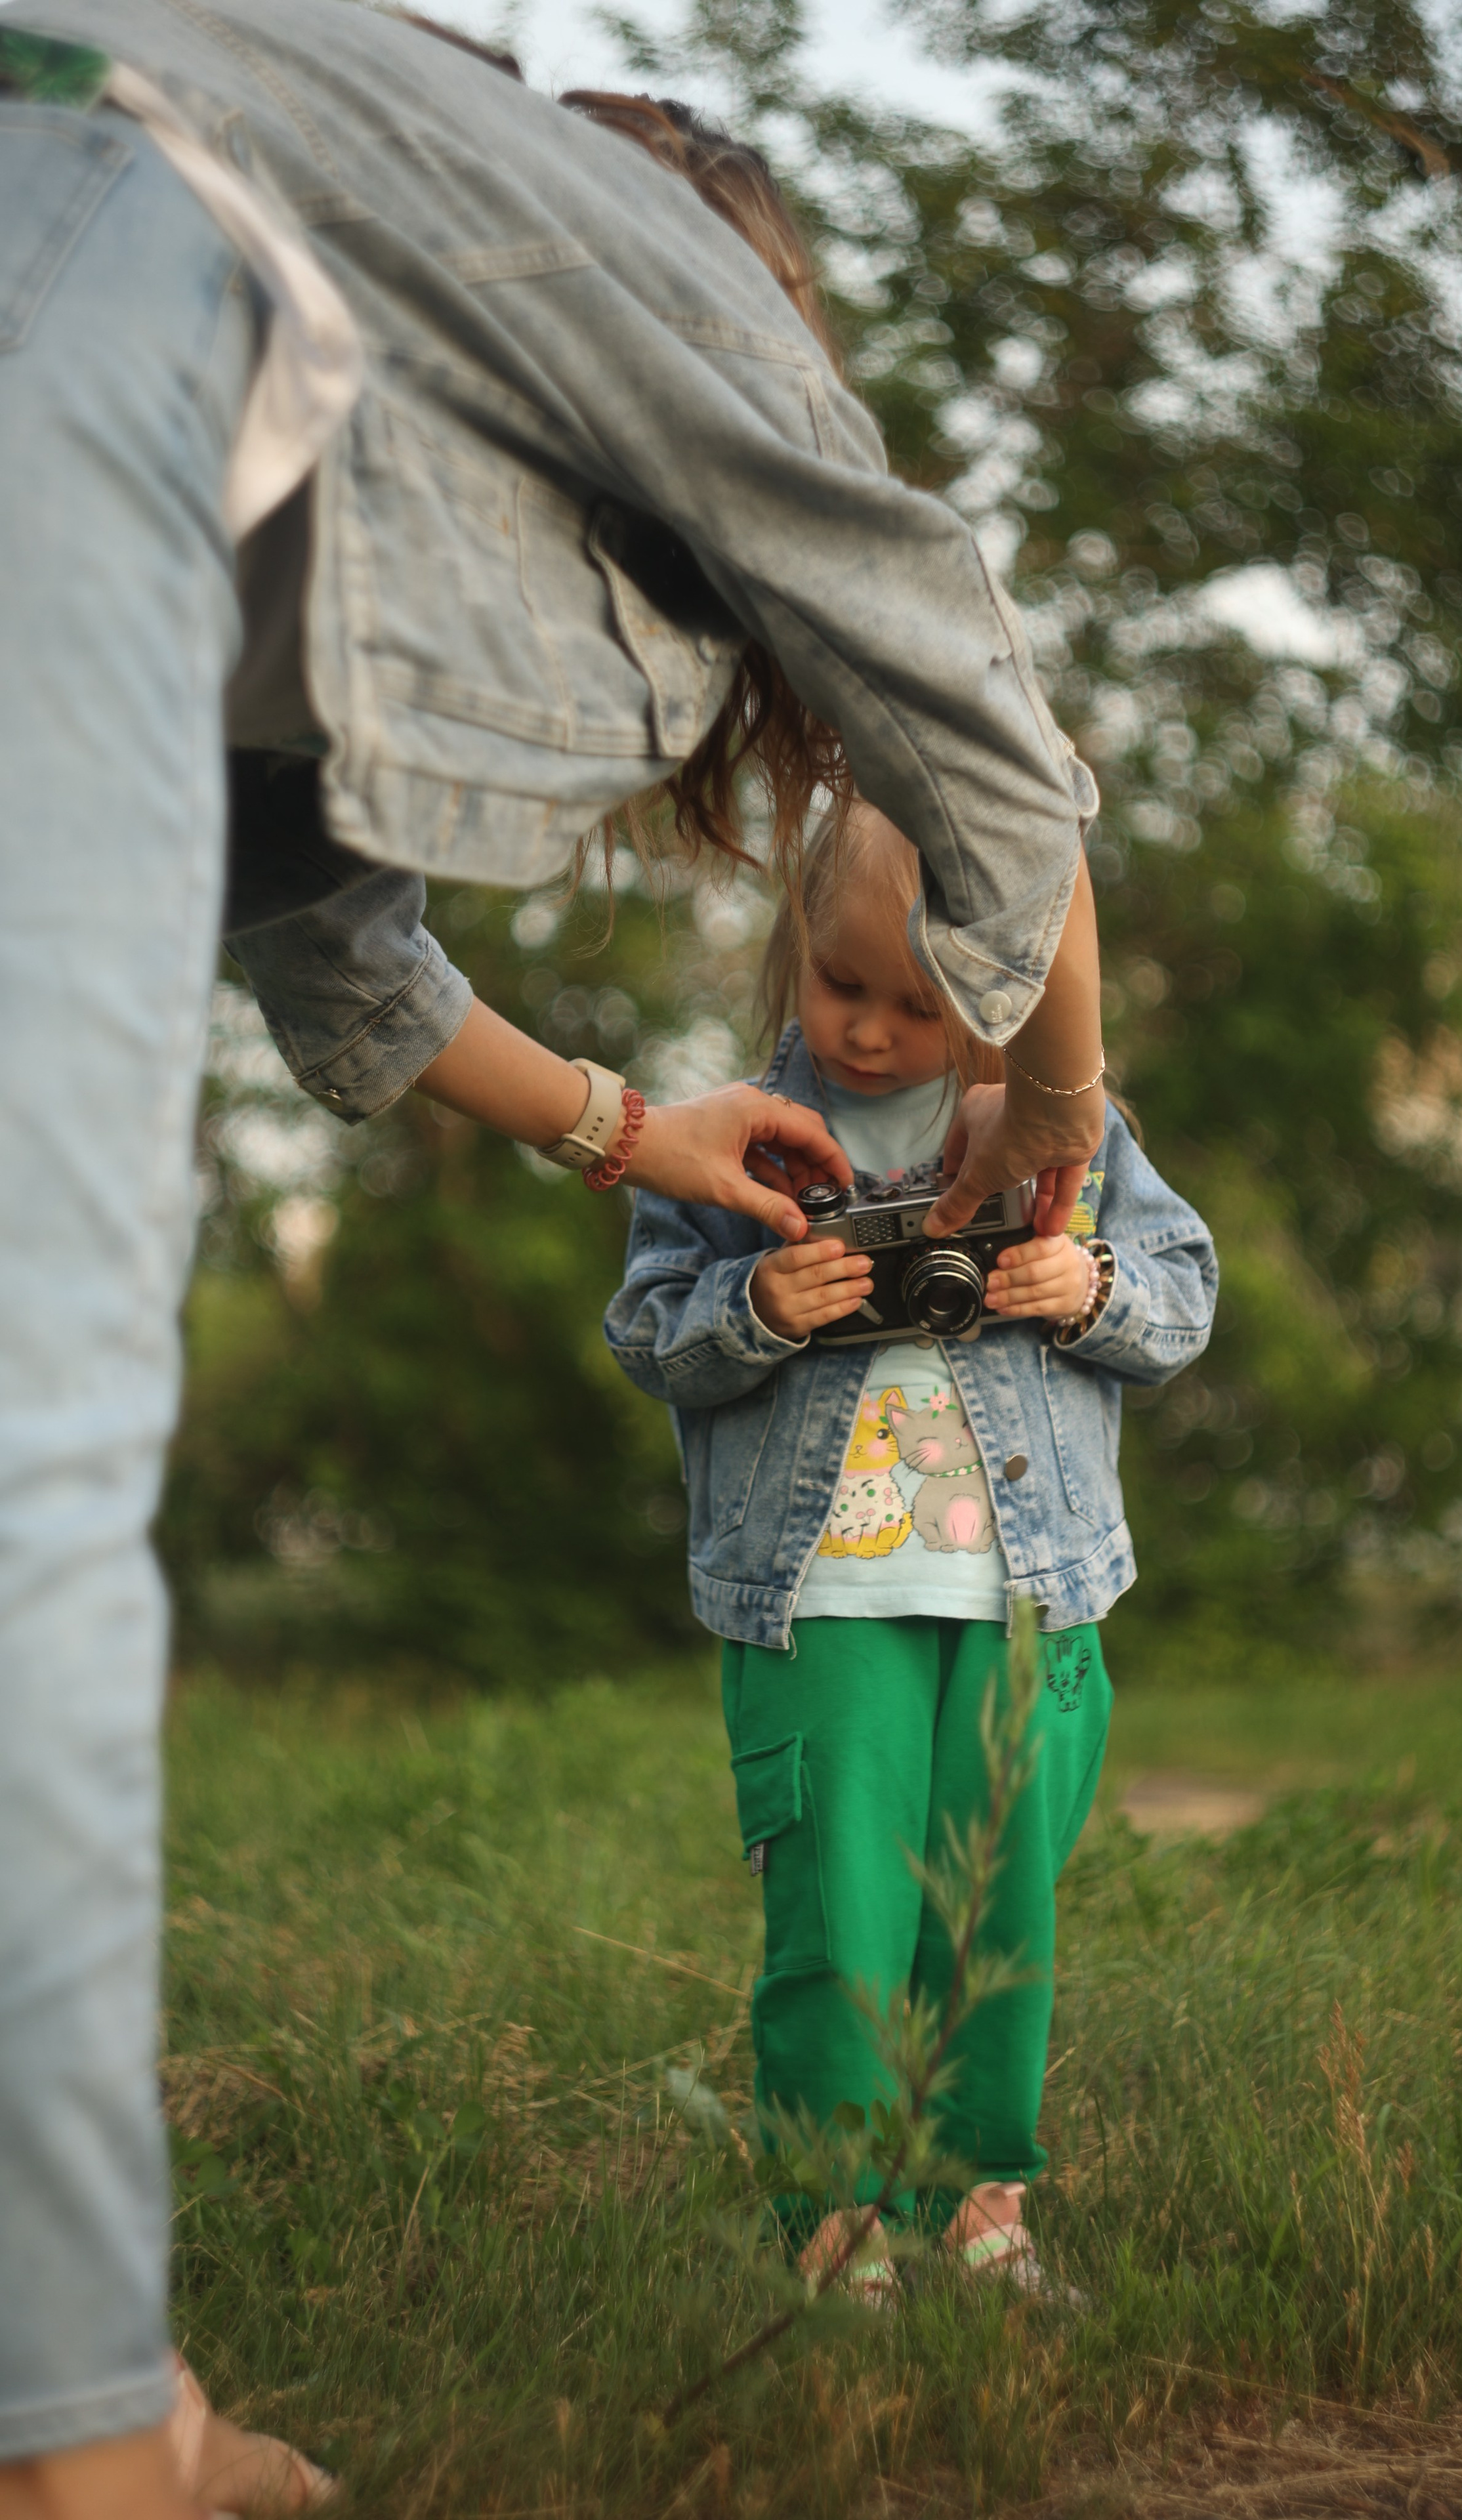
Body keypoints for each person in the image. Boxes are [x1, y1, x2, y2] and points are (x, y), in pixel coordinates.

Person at [0, 5, 1115, 2510]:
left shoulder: (336, 252)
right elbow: (973, 699)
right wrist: (1058, 1103)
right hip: (54, 427)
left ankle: (76, 2392)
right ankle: (77, 2453)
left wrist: (630, 1129)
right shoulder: (638, 246)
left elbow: (338, 951)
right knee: (26, 1476)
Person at [604, 807, 1217, 2298]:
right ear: (795, 953)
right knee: (840, 1919)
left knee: (998, 1911)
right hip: (816, 1597)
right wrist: (758, 1308)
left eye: (919, 1005)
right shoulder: (729, 1138)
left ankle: (979, 2203)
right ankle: (833, 2227)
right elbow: (646, 1332)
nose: (872, 1032)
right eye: (841, 986)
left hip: (1028, 1593)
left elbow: (1184, 1298)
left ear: (997, 987)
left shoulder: (1069, 1124)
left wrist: (1082, 1284)